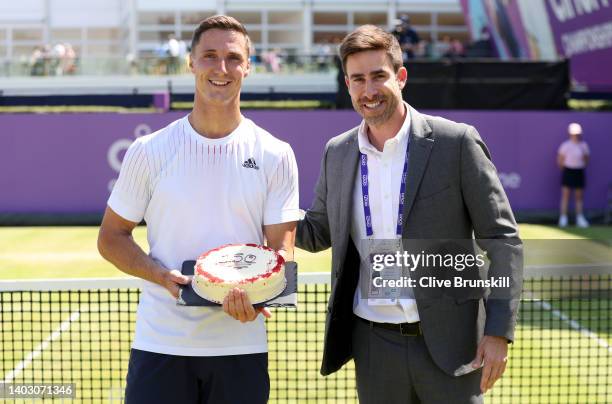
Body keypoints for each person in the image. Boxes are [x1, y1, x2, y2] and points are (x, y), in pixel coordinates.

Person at [296, 25, 522, 403]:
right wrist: (263, 207)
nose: (368, 90)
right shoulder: (337, 152)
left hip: (452, 344)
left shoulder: (456, 141)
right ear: (348, 85)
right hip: (372, 344)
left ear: (400, 77)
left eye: (378, 76)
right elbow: (317, 232)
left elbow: (502, 239)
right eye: (357, 80)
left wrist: (499, 331)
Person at [97, 15, 300, 403]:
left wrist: (259, 296)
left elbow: (283, 252)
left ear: (248, 67)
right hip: (160, 346)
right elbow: (110, 237)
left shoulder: (276, 154)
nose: (221, 68)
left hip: (241, 349)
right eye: (209, 56)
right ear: (190, 62)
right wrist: (160, 276)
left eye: (233, 57)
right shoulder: (149, 150)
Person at [557, 122, 590, 228]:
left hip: (579, 171)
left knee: (579, 197)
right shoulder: (565, 145)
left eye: (577, 133)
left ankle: (579, 218)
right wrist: (567, 168)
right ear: (570, 134)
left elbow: (586, 159)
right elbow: (560, 160)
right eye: (573, 133)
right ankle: (563, 218)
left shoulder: (583, 145)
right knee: (565, 195)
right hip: (568, 171)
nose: (575, 135)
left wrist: (579, 166)